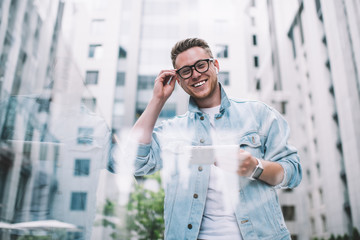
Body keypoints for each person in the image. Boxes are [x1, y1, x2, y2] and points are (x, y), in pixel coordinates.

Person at [131, 38, 302, 240]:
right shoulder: (172, 131)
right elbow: (134, 163)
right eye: (186, 71)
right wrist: (157, 100)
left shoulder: (259, 114)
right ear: (178, 80)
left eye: (201, 65)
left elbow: (293, 171)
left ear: (216, 65)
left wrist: (254, 167)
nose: (195, 74)